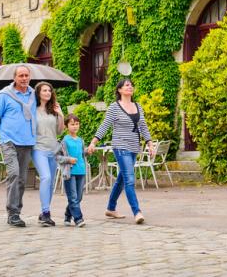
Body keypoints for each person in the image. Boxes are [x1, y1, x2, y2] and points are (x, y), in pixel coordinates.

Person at [87, 78, 155, 224]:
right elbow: (105, 125)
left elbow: (143, 126)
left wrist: (150, 143)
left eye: (131, 85)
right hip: (121, 146)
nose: (130, 87)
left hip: (134, 146)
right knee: (130, 179)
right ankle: (137, 212)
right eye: (126, 85)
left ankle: (111, 208)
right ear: (119, 90)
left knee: (122, 179)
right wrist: (94, 142)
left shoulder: (138, 106)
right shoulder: (114, 107)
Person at [0, 65, 37, 228]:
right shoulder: (4, 95)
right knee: (14, 174)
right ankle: (12, 213)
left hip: (27, 142)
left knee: (22, 180)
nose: (24, 78)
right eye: (21, 76)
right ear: (14, 78)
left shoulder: (33, 95)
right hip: (9, 141)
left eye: (26, 75)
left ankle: (17, 211)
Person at [32, 81, 65, 227]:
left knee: (51, 183)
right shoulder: (32, 109)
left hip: (53, 150)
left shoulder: (54, 110)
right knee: (45, 177)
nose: (47, 93)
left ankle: (43, 212)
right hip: (38, 149)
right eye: (44, 90)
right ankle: (46, 213)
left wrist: (61, 115)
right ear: (38, 93)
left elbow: (59, 131)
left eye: (49, 91)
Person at [60, 114, 87, 227]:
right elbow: (59, 158)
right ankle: (78, 218)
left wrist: (87, 152)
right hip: (69, 173)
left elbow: (81, 154)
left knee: (78, 197)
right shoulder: (64, 141)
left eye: (77, 124)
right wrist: (69, 159)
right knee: (73, 197)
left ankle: (67, 214)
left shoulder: (81, 140)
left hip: (81, 171)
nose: (75, 126)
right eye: (72, 124)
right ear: (66, 126)